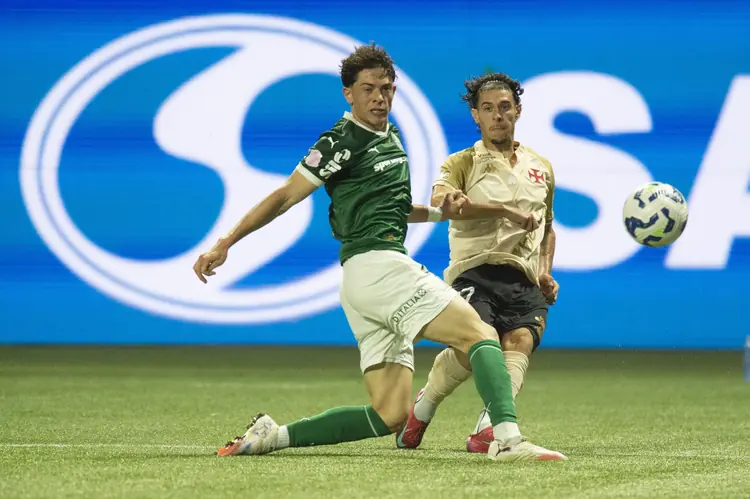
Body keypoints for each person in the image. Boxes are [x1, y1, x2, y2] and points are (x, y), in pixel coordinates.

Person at [192, 46, 565, 462]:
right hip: (378, 266)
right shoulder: (341, 140)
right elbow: (284, 196)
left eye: (386, 88)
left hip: (362, 282)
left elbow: (398, 210)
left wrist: (449, 212)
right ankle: (507, 440)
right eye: (368, 89)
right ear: (348, 93)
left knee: (390, 414)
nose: (378, 97)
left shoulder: (391, 138)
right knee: (480, 333)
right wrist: (226, 242)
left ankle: (271, 436)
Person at [396, 72, 560, 454]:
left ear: (518, 110)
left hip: (522, 275)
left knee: (520, 340)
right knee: (476, 344)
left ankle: (487, 429)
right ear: (476, 115)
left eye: (504, 107)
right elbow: (441, 201)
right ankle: (423, 408)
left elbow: (548, 227)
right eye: (488, 109)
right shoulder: (462, 162)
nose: (497, 115)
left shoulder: (541, 167)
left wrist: (545, 270)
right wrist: (500, 210)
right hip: (474, 269)